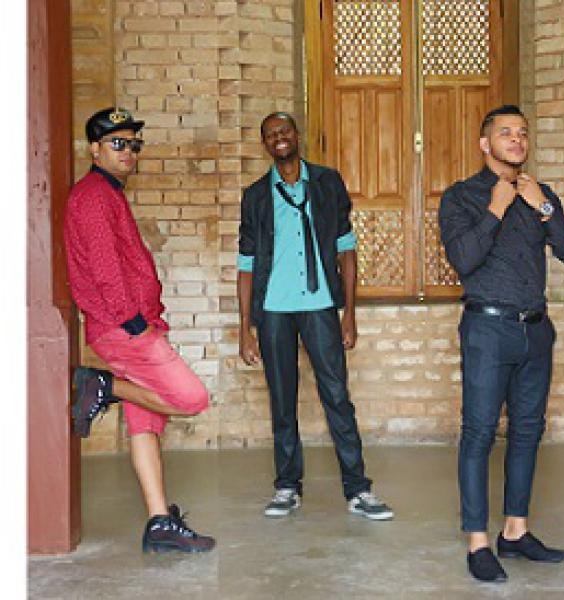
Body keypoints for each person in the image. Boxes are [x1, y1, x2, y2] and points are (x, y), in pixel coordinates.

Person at [439, 105, 564, 583]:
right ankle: (478, 543)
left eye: (522, 133)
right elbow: (463, 259)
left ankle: (516, 532)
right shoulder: (462, 197)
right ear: (486, 144)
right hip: (488, 330)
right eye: (506, 133)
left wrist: (543, 206)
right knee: (479, 433)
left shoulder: (540, 194)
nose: (517, 140)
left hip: (535, 329)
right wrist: (496, 207)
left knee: (527, 431)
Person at [64, 107, 215, 553]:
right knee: (190, 399)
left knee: (145, 424)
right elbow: (105, 267)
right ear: (94, 149)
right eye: (117, 143)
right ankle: (102, 385)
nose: (128, 151)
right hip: (123, 329)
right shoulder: (94, 196)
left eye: (133, 144)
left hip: (131, 324)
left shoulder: (108, 193)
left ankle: (159, 521)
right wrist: (132, 323)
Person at [237, 111, 393, 521]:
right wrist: (245, 328)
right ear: (265, 144)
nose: (279, 138)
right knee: (282, 400)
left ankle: (358, 489)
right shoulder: (256, 196)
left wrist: (349, 313)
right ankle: (287, 486)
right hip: (273, 310)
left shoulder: (327, 183)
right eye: (271, 134)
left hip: (320, 305)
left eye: (285, 131)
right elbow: (246, 264)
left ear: (297, 135)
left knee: (337, 396)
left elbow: (346, 249)